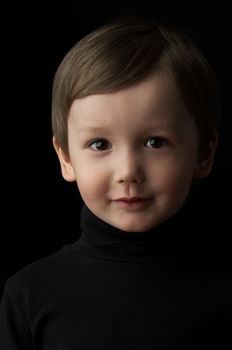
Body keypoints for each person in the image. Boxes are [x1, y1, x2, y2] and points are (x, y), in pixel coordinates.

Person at [0, 16, 230, 349]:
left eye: (155, 142)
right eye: (100, 145)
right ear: (65, 158)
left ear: (204, 154)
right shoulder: (29, 296)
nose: (128, 171)